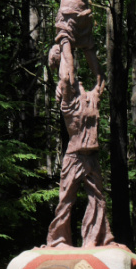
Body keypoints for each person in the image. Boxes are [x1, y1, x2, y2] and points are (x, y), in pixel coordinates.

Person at [45, 42, 114, 249]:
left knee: (98, 200)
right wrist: (65, 43)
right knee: (66, 201)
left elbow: (101, 79)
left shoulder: (91, 99)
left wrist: (88, 46)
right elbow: (67, 77)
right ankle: (59, 240)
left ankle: (94, 240)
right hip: (74, 157)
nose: (80, 82)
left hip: (91, 157)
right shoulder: (68, 100)